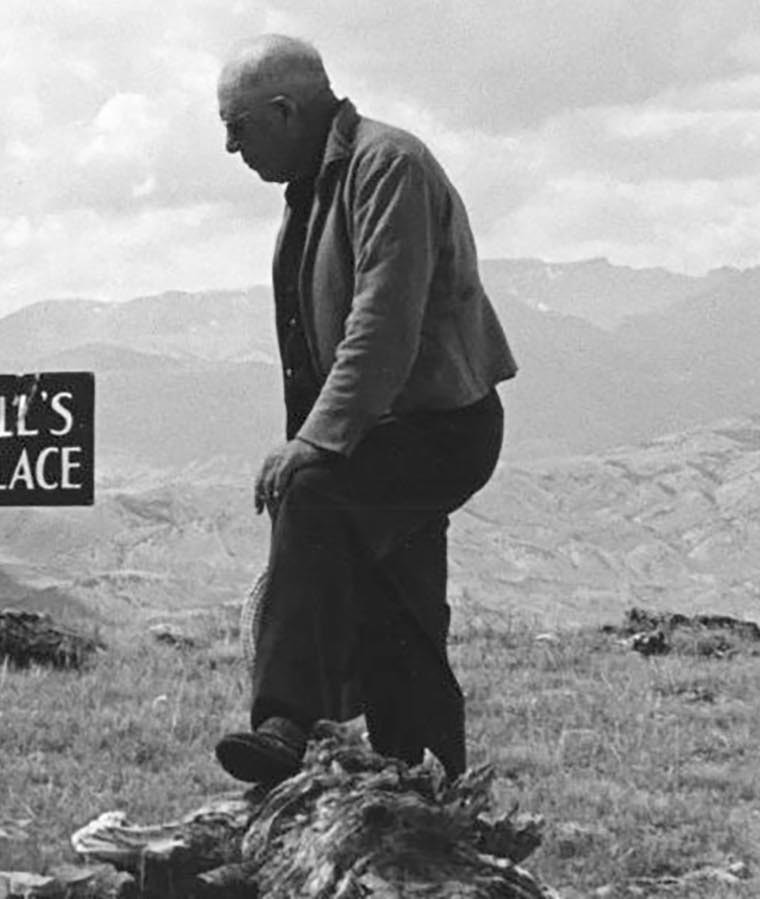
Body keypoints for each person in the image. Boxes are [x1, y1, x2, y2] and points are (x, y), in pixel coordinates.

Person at [211, 34, 518, 784]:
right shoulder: (319, 186)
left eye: (238, 125)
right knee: (401, 606)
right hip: (385, 432)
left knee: (314, 496)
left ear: (285, 111)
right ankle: (426, 778)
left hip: (439, 428)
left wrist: (313, 445)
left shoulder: (387, 166)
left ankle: (286, 721)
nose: (230, 147)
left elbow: (382, 325)